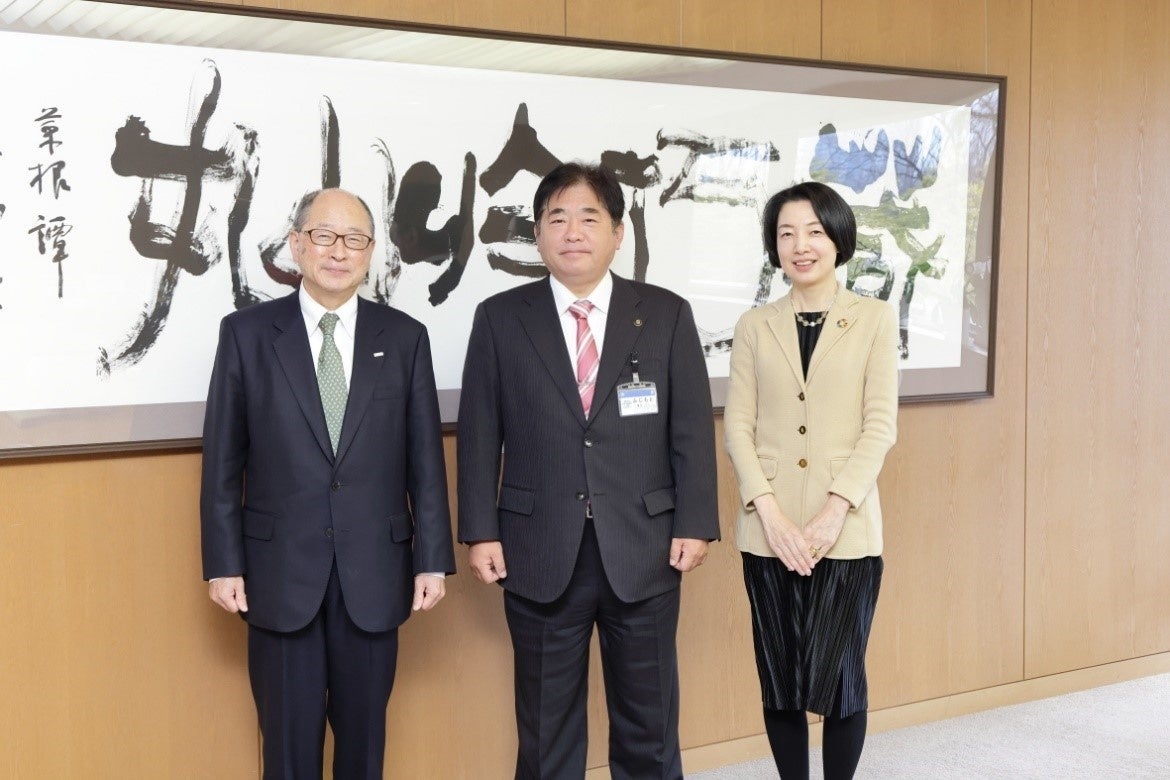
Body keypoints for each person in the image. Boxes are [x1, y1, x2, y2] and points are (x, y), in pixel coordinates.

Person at [457, 162, 719, 779]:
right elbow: (479, 435)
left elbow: (689, 430)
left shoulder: (665, 314)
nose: (572, 232)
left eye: (588, 218)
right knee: (545, 730)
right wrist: (481, 531)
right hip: (538, 546)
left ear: (618, 233)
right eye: (557, 218)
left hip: (645, 544)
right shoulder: (500, 317)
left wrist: (695, 522)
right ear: (538, 234)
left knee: (650, 725)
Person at [200, 188, 455, 779]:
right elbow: (222, 464)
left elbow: (425, 460)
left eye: (355, 239)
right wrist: (223, 564)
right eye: (324, 236)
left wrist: (432, 561)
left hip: (375, 573)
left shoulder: (404, 337)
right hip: (278, 574)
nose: (339, 252)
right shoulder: (246, 334)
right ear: (296, 244)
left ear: (371, 251)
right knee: (287, 750)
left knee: (364, 749)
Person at [723, 181, 898, 779]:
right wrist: (769, 513)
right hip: (767, 530)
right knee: (780, 679)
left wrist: (833, 511)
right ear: (774, 246)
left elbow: (879, 426)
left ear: (838, 238)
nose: (801, 245)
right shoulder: (755, 325)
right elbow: (738, 428)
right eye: (786, 234)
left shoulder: (874, 319)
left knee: (841, 679)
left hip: (845, 530)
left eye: (814, 231)